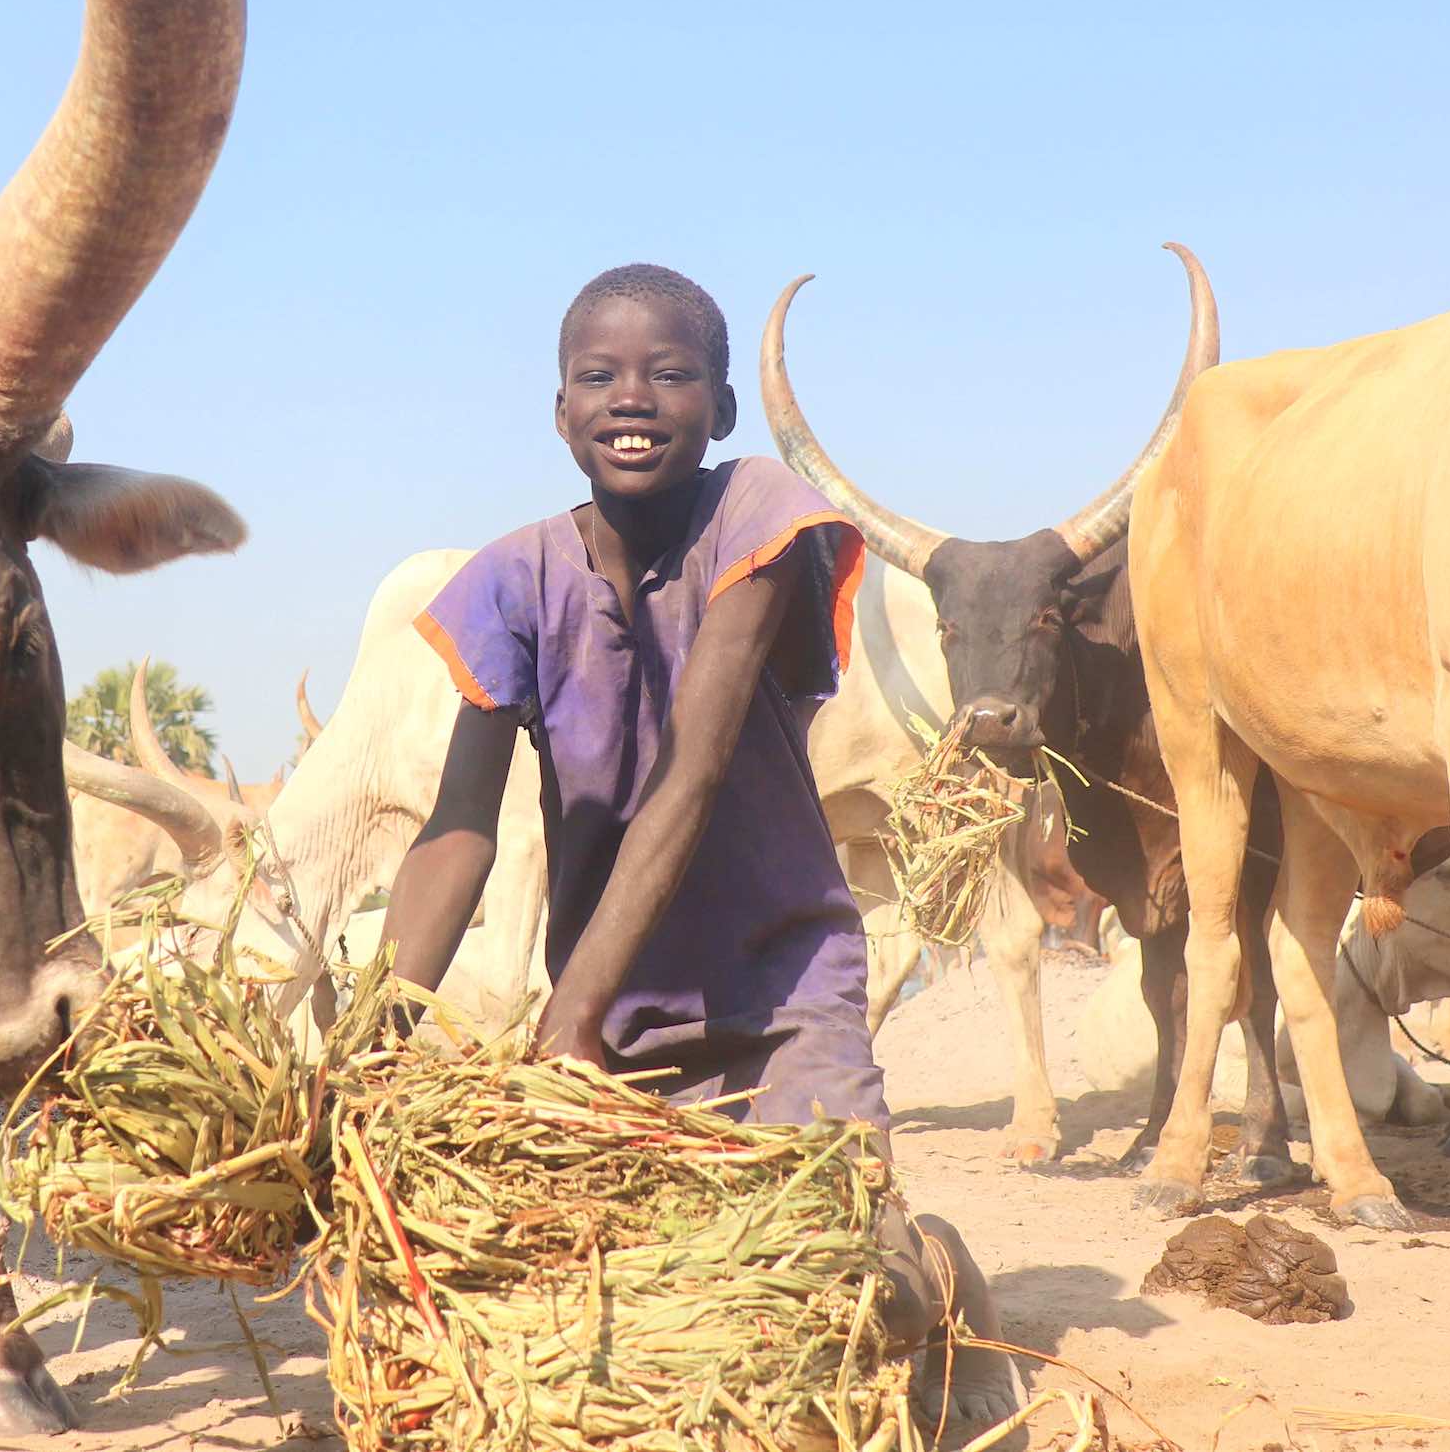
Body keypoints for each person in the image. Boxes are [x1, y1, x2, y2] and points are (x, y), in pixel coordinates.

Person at [383, 263, 1024, 1439]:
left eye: (670, 374)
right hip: (619, 1030)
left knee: (845, 1282)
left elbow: (696, 767)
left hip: (780, 992)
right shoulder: (511, 580)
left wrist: (567, 1013)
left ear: (722, 408)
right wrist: (373, 1041)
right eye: (599, 375)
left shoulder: (759, 517)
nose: (632, 397)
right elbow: (458, 826)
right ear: (561, 410)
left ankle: (939, 1269)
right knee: (616, 1315)